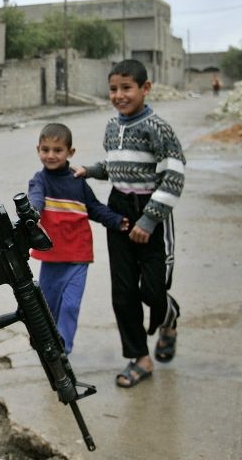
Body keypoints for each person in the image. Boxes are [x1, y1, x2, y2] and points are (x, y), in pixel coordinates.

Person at [74, 59, 185, 388]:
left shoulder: (158, 128)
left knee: (152, 291)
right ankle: (140, 358)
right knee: (123, 292)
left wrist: (149, 220)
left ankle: (169, 315)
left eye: (127, 88)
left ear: (145, 88)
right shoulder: (112, 127)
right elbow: (116, 167)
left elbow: (173, 178)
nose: (119, 95)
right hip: (119, 208)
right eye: (113, 89)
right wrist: (90, 171)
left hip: (152, 211)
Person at [28, 123, 128, 355]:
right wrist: (33, 214)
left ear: (70, 153)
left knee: (71, 305)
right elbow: (35, 199)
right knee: (48, 308)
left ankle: (63, 349)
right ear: (38, 149)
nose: (50, 155)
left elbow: (93, 208)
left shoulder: (77, 181)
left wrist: (115, 220)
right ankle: (47, 345)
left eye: (57, 150)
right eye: (45, 149)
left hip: (77, 256)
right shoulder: (39, 181)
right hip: (52, 257)